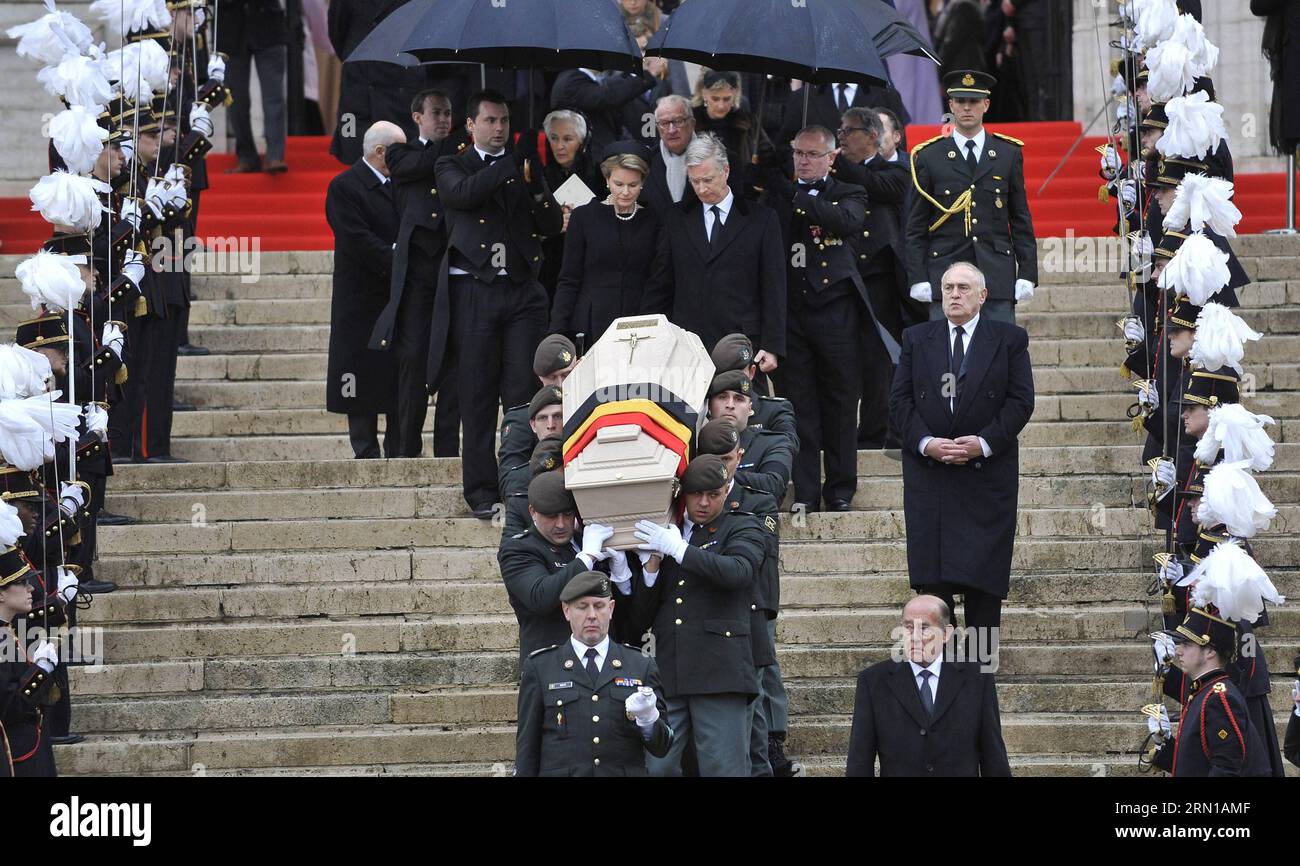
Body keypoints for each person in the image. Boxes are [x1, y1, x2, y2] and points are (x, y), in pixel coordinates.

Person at [430, 90, 564, 518]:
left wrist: (535, 184)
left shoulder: (521, 164)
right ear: (470, 125)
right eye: (490, 120)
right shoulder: (451, 163)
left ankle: (521, 484)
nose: (499, 127)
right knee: (477, 392)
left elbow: (549, 225)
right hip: (474, 290)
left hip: (521, 291)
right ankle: (481, 490)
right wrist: (509, 167)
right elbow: (463, 195)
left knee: (522, 394)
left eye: (504, 120)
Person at [889, 262, 1034, 633]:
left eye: (963, 288)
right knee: (934, 587)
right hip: (931, 480)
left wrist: (983, 444)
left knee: (983, 588)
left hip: (986, 479)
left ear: (982, 296)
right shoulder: (916, 338)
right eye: (948, 288)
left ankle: (980, 666)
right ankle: (938, 663)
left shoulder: (1009, 339)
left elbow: (1020, 401)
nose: (954, 294)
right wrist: (926, 444)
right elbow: (900, 401)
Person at [765, 125, 881, 512]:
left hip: (836, 311)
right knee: (799, 405)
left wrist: (796, 196)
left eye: (812, 154)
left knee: (841, 403)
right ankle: (806, 491)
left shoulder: (849, 191)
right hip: (791, 314)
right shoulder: (778, 193)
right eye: (798, 153)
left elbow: (845, 222)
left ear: (831, 158)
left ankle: (841, 488)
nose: (803, 160)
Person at [629, 454, 767, 777]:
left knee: (723, 767)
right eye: (696, 494)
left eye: (713, 494)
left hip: (719, 670)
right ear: (682, 493)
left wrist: (680, 551)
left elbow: (739, 572)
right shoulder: (667, 530)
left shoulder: (741, 525)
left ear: (726, 492)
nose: (704, 503)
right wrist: (650, 568)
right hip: (670, 669)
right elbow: (641, 616)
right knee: (658, 766)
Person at [368, 90, 460, 459]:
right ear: (417, 117)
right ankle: (406, 449)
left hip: (452, 269)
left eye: (448, 113)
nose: (444, 119)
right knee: (412, 359)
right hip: (417, 278)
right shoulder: (401, 154)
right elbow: (421, 166)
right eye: (436, 113)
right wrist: (456, 144)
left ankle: (447, 449)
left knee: (454, 361)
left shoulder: (459, 153)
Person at [905, 70, 1037, 324]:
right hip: (946, 274)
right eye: (960, 101)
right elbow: (916, 226)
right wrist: (918, 277)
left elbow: (1020, 218)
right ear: (951, 105)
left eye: (974, 101)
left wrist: (1027, 272)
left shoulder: (1007, 154)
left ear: (986, 105)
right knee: (947, 347)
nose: (967, 107)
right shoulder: (930, 156)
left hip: (995, 273)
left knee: (998, 344)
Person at [643, 133, 786, 364]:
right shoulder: (676, 218)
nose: (701, 189)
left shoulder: (762, 219)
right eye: (694, 181)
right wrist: (649, 335)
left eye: (707, 180)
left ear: (726, 171)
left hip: (743, 342)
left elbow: (774, 287)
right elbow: (661, 283)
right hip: (687, 344)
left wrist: (772, 345)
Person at [514, 571, 674, 776]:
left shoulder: (640, 665)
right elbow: (527, 747)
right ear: (566, 611)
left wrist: (649, 718)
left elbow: (663, 747)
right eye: (582, 607)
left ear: (611, 609)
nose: (591, 615)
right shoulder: (540, 667)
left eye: (599, 606)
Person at [846, 594, 1011, 777]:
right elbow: (859, 761)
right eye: (908, 628)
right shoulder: (873, 680)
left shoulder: (977, 677)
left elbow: (993, 755)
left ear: (946, 634)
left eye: (924, 628)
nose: (914, 637)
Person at [835, 107, 917, 449]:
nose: (841, 137)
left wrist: (837, 163)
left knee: (878, 359)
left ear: (871, 136)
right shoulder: (835, 172)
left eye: (848, 131)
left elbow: (875, 185)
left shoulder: (895, 170)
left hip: (880, 280)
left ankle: (876, 432)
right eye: (839, 131)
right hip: (843, 277)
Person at [324, 121, 403, 459]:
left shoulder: (403, 185)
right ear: (380, 152)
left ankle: (400, 450)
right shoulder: (344, 186)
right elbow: (355, 238)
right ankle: (366, 450)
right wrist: (399, 258)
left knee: (398, 377)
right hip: (360, 300)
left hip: (396, 298)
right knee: (359, 376)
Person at [497, 470, 622, 660]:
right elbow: (540, 597)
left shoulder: (584, 540)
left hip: (603, 662)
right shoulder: (519, 548)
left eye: (567, 514)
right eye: (551, 516)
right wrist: (586, 559)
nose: (561, 524)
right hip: (551, 665)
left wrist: (622, 574)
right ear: (532, 512)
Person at [550, 142, 662, 343]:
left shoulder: (654, 220)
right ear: (607, 179)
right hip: (590, 325)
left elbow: (658, 280)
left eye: (633, 185)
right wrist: (556, 333)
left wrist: (648, 326)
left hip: (639, 326)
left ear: (642, 182)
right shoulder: (584, 218)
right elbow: (569, 279)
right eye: (619, 184)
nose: (625, 192)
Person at [1148, 608, 1273, 777]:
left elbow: (1226, 770)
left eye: (1187, 644)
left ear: (1210, 652)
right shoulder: (1203, 691)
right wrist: (1165, 744)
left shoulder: (1219, 698)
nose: (1178, 651)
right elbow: (1198, 763)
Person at [0, 549, 61, 777]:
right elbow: (8, 705)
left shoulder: (7, 631)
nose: (31, 588)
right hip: (16, 750)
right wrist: (41, 669)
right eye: (22, 583)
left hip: (30, 742)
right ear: (1, 594)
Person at [217, 0, 289, 173]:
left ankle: (275, 155)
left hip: (268, 24)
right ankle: (246, 155)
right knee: (235, 100)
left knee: (273, 97)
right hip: (231, 27)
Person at [549, 67, 657, 160]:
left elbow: (612, 89)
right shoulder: (572, 81)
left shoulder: (583, 79)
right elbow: (608, 97)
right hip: (589, 159)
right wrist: (648, 74)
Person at [691, 71, 773, 183]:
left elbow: (768, 155)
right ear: (704, 94)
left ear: (735, 94)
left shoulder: (746, 121)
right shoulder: (692, 122)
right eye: (715, 99)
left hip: (740, 186)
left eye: (726, 99)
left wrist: (757, 169)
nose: (721, 106)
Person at [641, 95, 699, 215]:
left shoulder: (718, 158)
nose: (671, 130)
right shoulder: (645, 162)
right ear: (657, 127)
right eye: (664, 123)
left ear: (692, 123)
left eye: (678, 121)